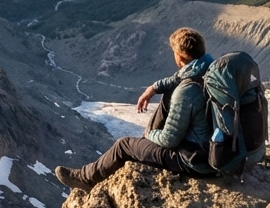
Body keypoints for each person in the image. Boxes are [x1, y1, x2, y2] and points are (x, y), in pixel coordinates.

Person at [55, 27, 214, 191]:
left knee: (123, 145)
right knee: (168, 93)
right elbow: (179, 77)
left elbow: (169, 140)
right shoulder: (212, 71)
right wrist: (154, 87)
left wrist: (150, 135)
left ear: (179, 57)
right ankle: (144, 145)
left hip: (194, 160)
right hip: (212, 150)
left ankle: (86, 179)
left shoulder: (186, 92)